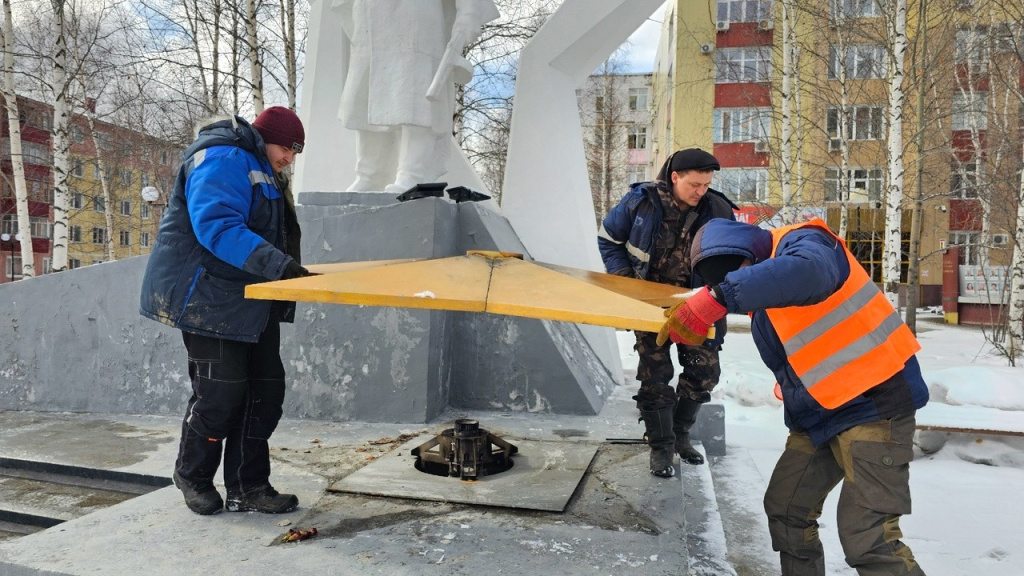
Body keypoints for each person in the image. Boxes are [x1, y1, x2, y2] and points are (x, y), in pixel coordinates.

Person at [660, 217, 928, 575]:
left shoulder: (808, 243)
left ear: (751, 254)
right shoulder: (763, 291)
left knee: (868, 538)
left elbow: (810, 274)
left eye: (735, 272)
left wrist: (721, 296)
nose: (732, 282)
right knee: (787, 511)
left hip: (875, 405)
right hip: (819, 415)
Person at [139, 106, 313, 516]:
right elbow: (216, 224)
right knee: (221, 394)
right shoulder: (223, 156)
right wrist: (278, 266)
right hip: (208, 299)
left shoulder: (264, 169)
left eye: (295, 152)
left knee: (264, 393)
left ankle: (249, 486)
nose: (290, 158)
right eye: (286, 148)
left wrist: (284, 270)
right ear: (264, 135)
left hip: (252, 299)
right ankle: (193, 475)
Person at [597, 148, 738, 477]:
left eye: (706, 184)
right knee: (655, 375)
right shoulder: (641, 202)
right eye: (694, 184)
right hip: (649, 305)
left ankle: (680, 435)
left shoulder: (718, 208)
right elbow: (608, 240)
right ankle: (660, 446)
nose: (700, 191)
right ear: (674, 177)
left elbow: (733, 257)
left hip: (699, 306)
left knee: (704, 373)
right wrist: (628, 283)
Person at [335, 0, 499, 194]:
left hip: (417, 12)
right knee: (365, 91)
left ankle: (412, 174)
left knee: (415, 94)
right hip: (369, 13)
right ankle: (370, 174)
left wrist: (469, 13)